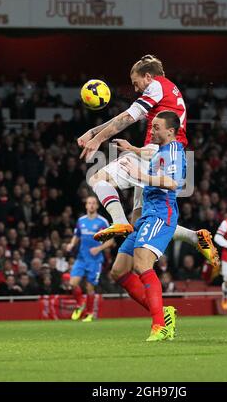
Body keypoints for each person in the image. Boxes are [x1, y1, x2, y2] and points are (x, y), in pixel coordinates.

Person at [78, 54, 218, 267]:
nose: (136, 89)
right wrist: (93, 131)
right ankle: (194, 237)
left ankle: (118, 222)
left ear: (147, 76)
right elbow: (125, 115)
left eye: (136, 83)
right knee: (139, 221)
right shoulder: (168, 89)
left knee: (98, 179)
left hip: (155, 153)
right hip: (166, 154)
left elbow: (126, 118)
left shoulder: (155, 87)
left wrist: (97, 139)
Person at [111, 111, 186, 341]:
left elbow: (174, 183)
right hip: (148, 214)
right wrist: (131, 149)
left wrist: (140, 175)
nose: (151, 131)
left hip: (162, 213)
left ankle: (159, 326)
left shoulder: (174, 150)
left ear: (170, 131)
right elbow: (148, 155)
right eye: (151, 127)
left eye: (156, 127)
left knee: (143, 263)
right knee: (119, 271)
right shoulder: (160, 151)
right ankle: (163, 314)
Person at [66, 196, 114, 322]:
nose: (91, 205)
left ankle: (90, 313)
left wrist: (99, 249)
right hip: (81, 258)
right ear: (86, 205)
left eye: (93, 203)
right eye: (89, 203)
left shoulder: (102, 222)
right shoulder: (81, 221)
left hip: (95, 260)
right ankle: (80, 303)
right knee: (72, 284)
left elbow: (111, 241)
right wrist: (71, 244)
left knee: (89, 288)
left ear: (97, 206)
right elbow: (77, 235)